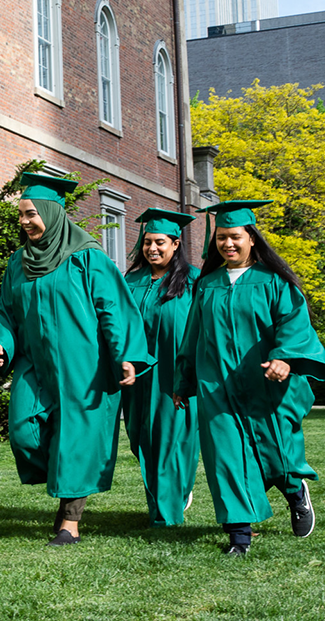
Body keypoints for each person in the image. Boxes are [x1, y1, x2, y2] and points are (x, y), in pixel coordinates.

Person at [0, 173, 154, 546]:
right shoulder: (19, 263)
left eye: (32, 214)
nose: (26, 222)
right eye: (22, 215)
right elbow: (8, 314)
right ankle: (65, 486)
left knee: (75, 439)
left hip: (82, 366)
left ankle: (70, 522)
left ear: (52, 212)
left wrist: (125, 356)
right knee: (23, 432)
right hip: (34, 363)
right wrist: (2, 343)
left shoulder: (87, 258)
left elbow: (112, 308)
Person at [173, 200, 325, 556]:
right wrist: (184, 381)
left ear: (252, 239)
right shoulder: (207, 285)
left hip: (267, 384)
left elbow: (293, 325)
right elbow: (193, 336)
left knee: (278, 453)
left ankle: (294, 491)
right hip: (218, 387)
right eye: (221, 239)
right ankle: (239, 537)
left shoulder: (274, 282)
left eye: (235, 237)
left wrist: (284, 359)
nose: (227, 244)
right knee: (226, 457)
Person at [120, 208, 201, 527]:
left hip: (174, 375)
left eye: (160, 243)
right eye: (147, 242)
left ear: (176, 243)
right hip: (138, 375)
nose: (152, 248)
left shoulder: (193, 280)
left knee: (168, 441)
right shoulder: (132, 279)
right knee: (141, 440)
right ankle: (175, 492)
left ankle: (165, 518)